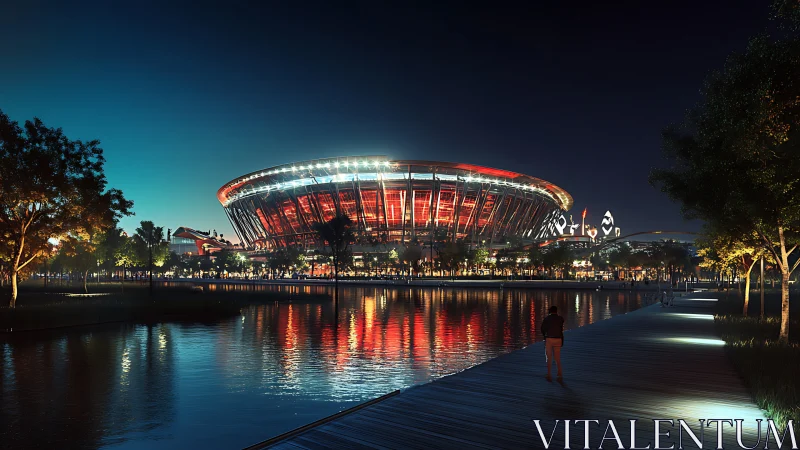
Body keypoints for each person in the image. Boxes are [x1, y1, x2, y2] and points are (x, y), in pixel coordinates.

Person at [541, 305, 565, 380]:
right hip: (558, 339)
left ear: (550, 311)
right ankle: (559, 374)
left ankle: (549, 374)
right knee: (557, 358)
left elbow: (543, 329)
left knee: (549, 357)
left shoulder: (547, 319)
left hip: (549, 339)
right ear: (556, 311)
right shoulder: (561, 318)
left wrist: (545, 335)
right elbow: (561, 328)